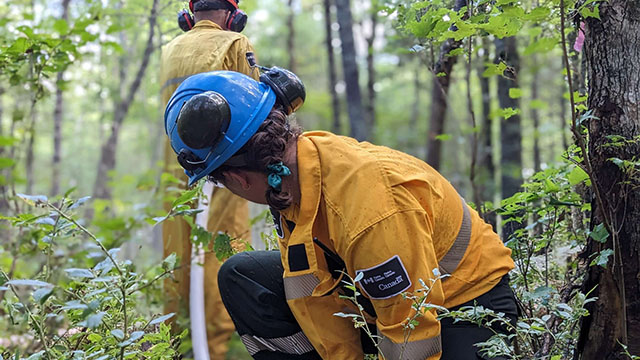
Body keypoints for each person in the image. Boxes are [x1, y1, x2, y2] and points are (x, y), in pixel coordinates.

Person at [163, 69, 518, 360]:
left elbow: (412, 332)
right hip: (379, 302)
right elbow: (313, 299)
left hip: (467, 306)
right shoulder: (293, 181)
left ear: (238, 178)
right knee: (243, 276)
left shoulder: (367, 209)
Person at [158, 0, 258, 357]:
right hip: (223, 168)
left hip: (174, 172)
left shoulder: (168, 50)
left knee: (177, 259)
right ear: (233, 15)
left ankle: (171, 348)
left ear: (190, 15)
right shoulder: (235, 43)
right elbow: (254, 114)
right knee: (221, 254)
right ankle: (213, 350)